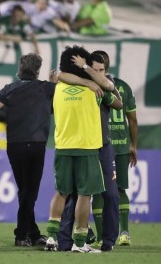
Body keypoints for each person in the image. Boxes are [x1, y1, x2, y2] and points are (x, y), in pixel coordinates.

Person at [0, 53, 56, 247]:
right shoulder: (48, 89)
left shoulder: (9, 90)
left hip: (15, 146)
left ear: (20, 68)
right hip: (37, 145)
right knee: (29, 191)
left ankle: (32, 233)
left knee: (25, 191)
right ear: (37, 70)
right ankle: (22, 234)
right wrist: (54, 83)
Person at [57, 51, 122, 252]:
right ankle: (66, 242)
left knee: (111, 195)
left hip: (102, 146)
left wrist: (97, 80)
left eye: (102, 70)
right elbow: (56, 74)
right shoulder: (80, 83)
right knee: (74, 195)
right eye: (95, 70)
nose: (99, 74)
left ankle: (109, 241)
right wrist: (88, 80)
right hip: (83, 146)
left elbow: (119, 104)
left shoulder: (105, 84)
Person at [44, 45, 105, 253]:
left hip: (63, 147)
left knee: (61, 192)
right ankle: (80, 243)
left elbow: (60, 75)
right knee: (84, 196)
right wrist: (87, 70)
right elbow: (108, 85)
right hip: (86, 148)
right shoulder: (94, 89)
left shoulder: (56, 89)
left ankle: (51, 238)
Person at [94, 50, 138, 246]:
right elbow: (133, 118)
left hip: (100, 143)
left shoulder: (93, 85)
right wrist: (133, 144)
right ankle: (125, 232)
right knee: (120, 189)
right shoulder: (124, 87)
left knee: (98, 190)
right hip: (121, 144)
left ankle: (102, 235)